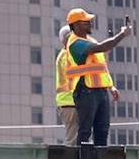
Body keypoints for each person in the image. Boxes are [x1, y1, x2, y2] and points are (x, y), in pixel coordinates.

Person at [61, 8, 130, 147]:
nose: (89, 23)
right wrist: (122, 34)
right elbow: (102, 47)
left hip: (100, 92)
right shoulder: (75, 43)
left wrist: (111, 87)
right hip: (85, 91)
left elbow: (100, 67)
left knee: (102, 131)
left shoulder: (89, 40)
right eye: (86, 22)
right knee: (85, 131)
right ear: (76, 25)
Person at [54, 25, 78, 145]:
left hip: (71, 102)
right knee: (73, 139)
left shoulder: (67, 54)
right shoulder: (66, 56)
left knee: (78, 138)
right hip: (69, 103)